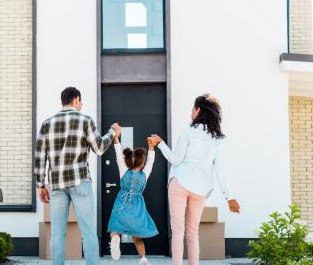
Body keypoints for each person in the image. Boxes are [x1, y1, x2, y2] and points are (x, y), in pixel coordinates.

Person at [34, 87, 121, 265]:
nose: (81, 105)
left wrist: (40, 185)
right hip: (80, 181)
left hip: (57, 185)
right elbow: (99, 148)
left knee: (57, 234)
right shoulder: (85, 120)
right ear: (76, 100)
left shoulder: (46, 124)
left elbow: (39, 157)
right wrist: (113, 132)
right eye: (80, 101)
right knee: (88, 232)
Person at [150, 93, 241, 265]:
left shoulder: (187, 132)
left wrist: (160, 143)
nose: (191, 111)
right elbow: (221, 170)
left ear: (199, 110)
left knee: (177, 231)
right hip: (200, 189)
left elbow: (175, 159)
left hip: (179, 182)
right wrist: (230, 197)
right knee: (192, 233)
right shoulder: (216, 139)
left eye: (193, 108)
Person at [107, 134, 160, 265]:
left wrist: (115, 139)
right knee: (137, 237)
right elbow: (151, 162)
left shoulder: (124, 171)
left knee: (115, 228)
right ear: (142, 163)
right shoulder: (144, 174)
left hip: (121, 204)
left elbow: (118, 155)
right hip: (137, 209)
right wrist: (151, 147)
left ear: (128, 162)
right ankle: (143, 258)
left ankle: (115, 239)